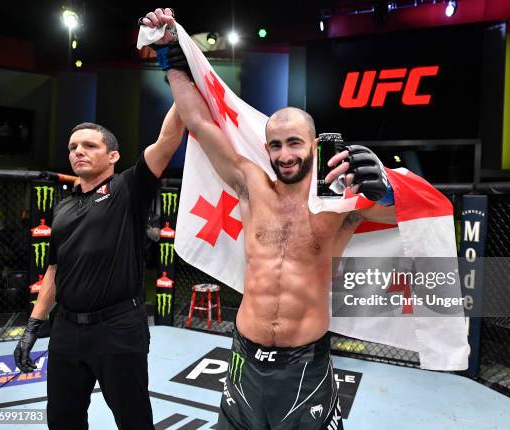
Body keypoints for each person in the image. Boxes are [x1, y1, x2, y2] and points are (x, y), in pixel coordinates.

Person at [141, 8, 397, 429]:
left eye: (294, 143)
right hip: (244, 352)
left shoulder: (340, 198)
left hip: (306, 363)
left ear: (313, 144)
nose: (284, 154)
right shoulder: (251, 184)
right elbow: (201, 125)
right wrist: (170, 57)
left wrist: (384, 188)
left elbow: (401, 219)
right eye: (275, 145)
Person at [13, 102, 185, 429]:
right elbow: (54, 270)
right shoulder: (62, 208)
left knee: (132, 419)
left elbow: (168, 139)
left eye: (90, 145)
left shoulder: (127, 189)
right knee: (62, 419)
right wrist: (33, 327)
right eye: (73, 147)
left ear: (113, 157)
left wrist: (182, 80)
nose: (79, 151)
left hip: (118, 328)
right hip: (66, 329)